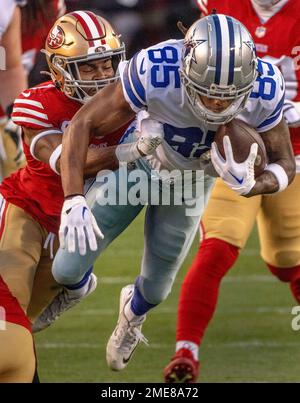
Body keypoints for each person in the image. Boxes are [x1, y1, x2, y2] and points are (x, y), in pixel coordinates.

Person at [36, 12, 295, 373]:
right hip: (141, 164)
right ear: (186, 67)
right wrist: (74, 198)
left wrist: (255, 184)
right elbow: (83, 122)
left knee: (156, 291)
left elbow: (285, 163)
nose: (216, 106)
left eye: (227, 97)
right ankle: (80, 286)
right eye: (208, 94)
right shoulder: (155, 69)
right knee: (65, 269)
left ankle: (132, 313)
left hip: (190, 183)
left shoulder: (266, 87)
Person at [0, 10, 160, 383]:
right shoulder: (36, 103)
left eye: (107, 63)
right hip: (29, 210)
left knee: (18, 327)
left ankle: (75, 278)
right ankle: (77, 281)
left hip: (80, 229)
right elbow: (70, 162)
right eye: (87, 68)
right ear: (58, 69)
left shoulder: (135, 104)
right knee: (11, 314)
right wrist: (131, 149)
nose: (102, 75)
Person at [163, 0, 300, 383]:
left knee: (288, 263)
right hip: (230, 151)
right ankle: (186, 352)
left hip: (294, 157)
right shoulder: (222, 6)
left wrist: (289, 110)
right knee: (218, 247)